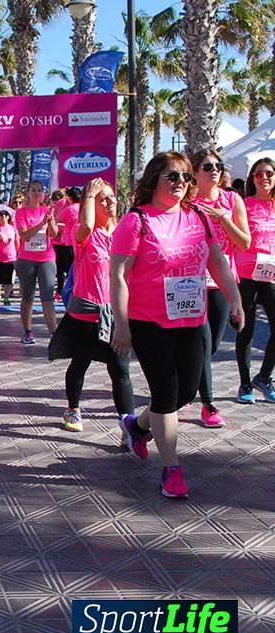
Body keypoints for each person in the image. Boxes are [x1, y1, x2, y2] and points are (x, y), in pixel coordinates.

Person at [111, 151, 244, 499]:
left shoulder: (198, 215)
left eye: (186, 176)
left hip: (192, 318)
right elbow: (119, 275)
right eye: (172, 176)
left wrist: (235, 299)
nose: (181, 182)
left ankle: (137, 428)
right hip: (149, 321)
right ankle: (172, 470)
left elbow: (215, 259)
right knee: (167, 395)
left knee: (185, 393)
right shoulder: (137, 220)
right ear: (154, 178)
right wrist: (121, 324)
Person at [47, 178, 134, 433]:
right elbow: (85, 223)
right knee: (80, 362)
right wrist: (88, 195)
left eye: (111, 197)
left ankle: (128, 426)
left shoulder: (123, 233)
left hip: (116, 313)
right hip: (86, 313)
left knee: (120, 369)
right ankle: (73, 408)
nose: (109, 202)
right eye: (101, 198)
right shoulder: (84, 233)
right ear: (90, 204)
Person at [189, 150, 250, 424]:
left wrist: (223, 218)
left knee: (211, 345)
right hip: (191, 282)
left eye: (218, 165)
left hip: (222, 281)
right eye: (207, 166)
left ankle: (188, 379)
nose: (214, 169)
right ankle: (209, 404)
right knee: (202, 344)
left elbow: (245, 242)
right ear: (195, 172)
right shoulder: (189, 201)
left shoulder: (232, 199)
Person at [234, 157, 275, 404]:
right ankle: (245, 384)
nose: (264, 178)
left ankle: (264, 377)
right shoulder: (244, 204)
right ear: (252, 178)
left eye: (269, 173)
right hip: (246, 274)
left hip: (270, 275)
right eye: (259, 174)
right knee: (245, 331)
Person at [15, 181, 58, 344]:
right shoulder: (21, 213)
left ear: (43, 194)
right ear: (28, 193)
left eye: (39, 190)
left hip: (46, 258)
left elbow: (53, 234)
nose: (36, 193)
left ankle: (54, 332)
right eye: (33, 190)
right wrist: (41, 224)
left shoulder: (47, 211)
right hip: (27, 259)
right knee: (28, 296)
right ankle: (27, 331)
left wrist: (51, 221)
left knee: (48, 296)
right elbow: (24, 236)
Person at [53, 187, 81, 299]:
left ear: (69, 197)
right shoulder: (85, 208)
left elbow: (56, 219)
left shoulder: (70, 209)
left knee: (68, 270)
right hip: (82, 242)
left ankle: (68, 292)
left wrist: (65, 206)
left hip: (69, 243)